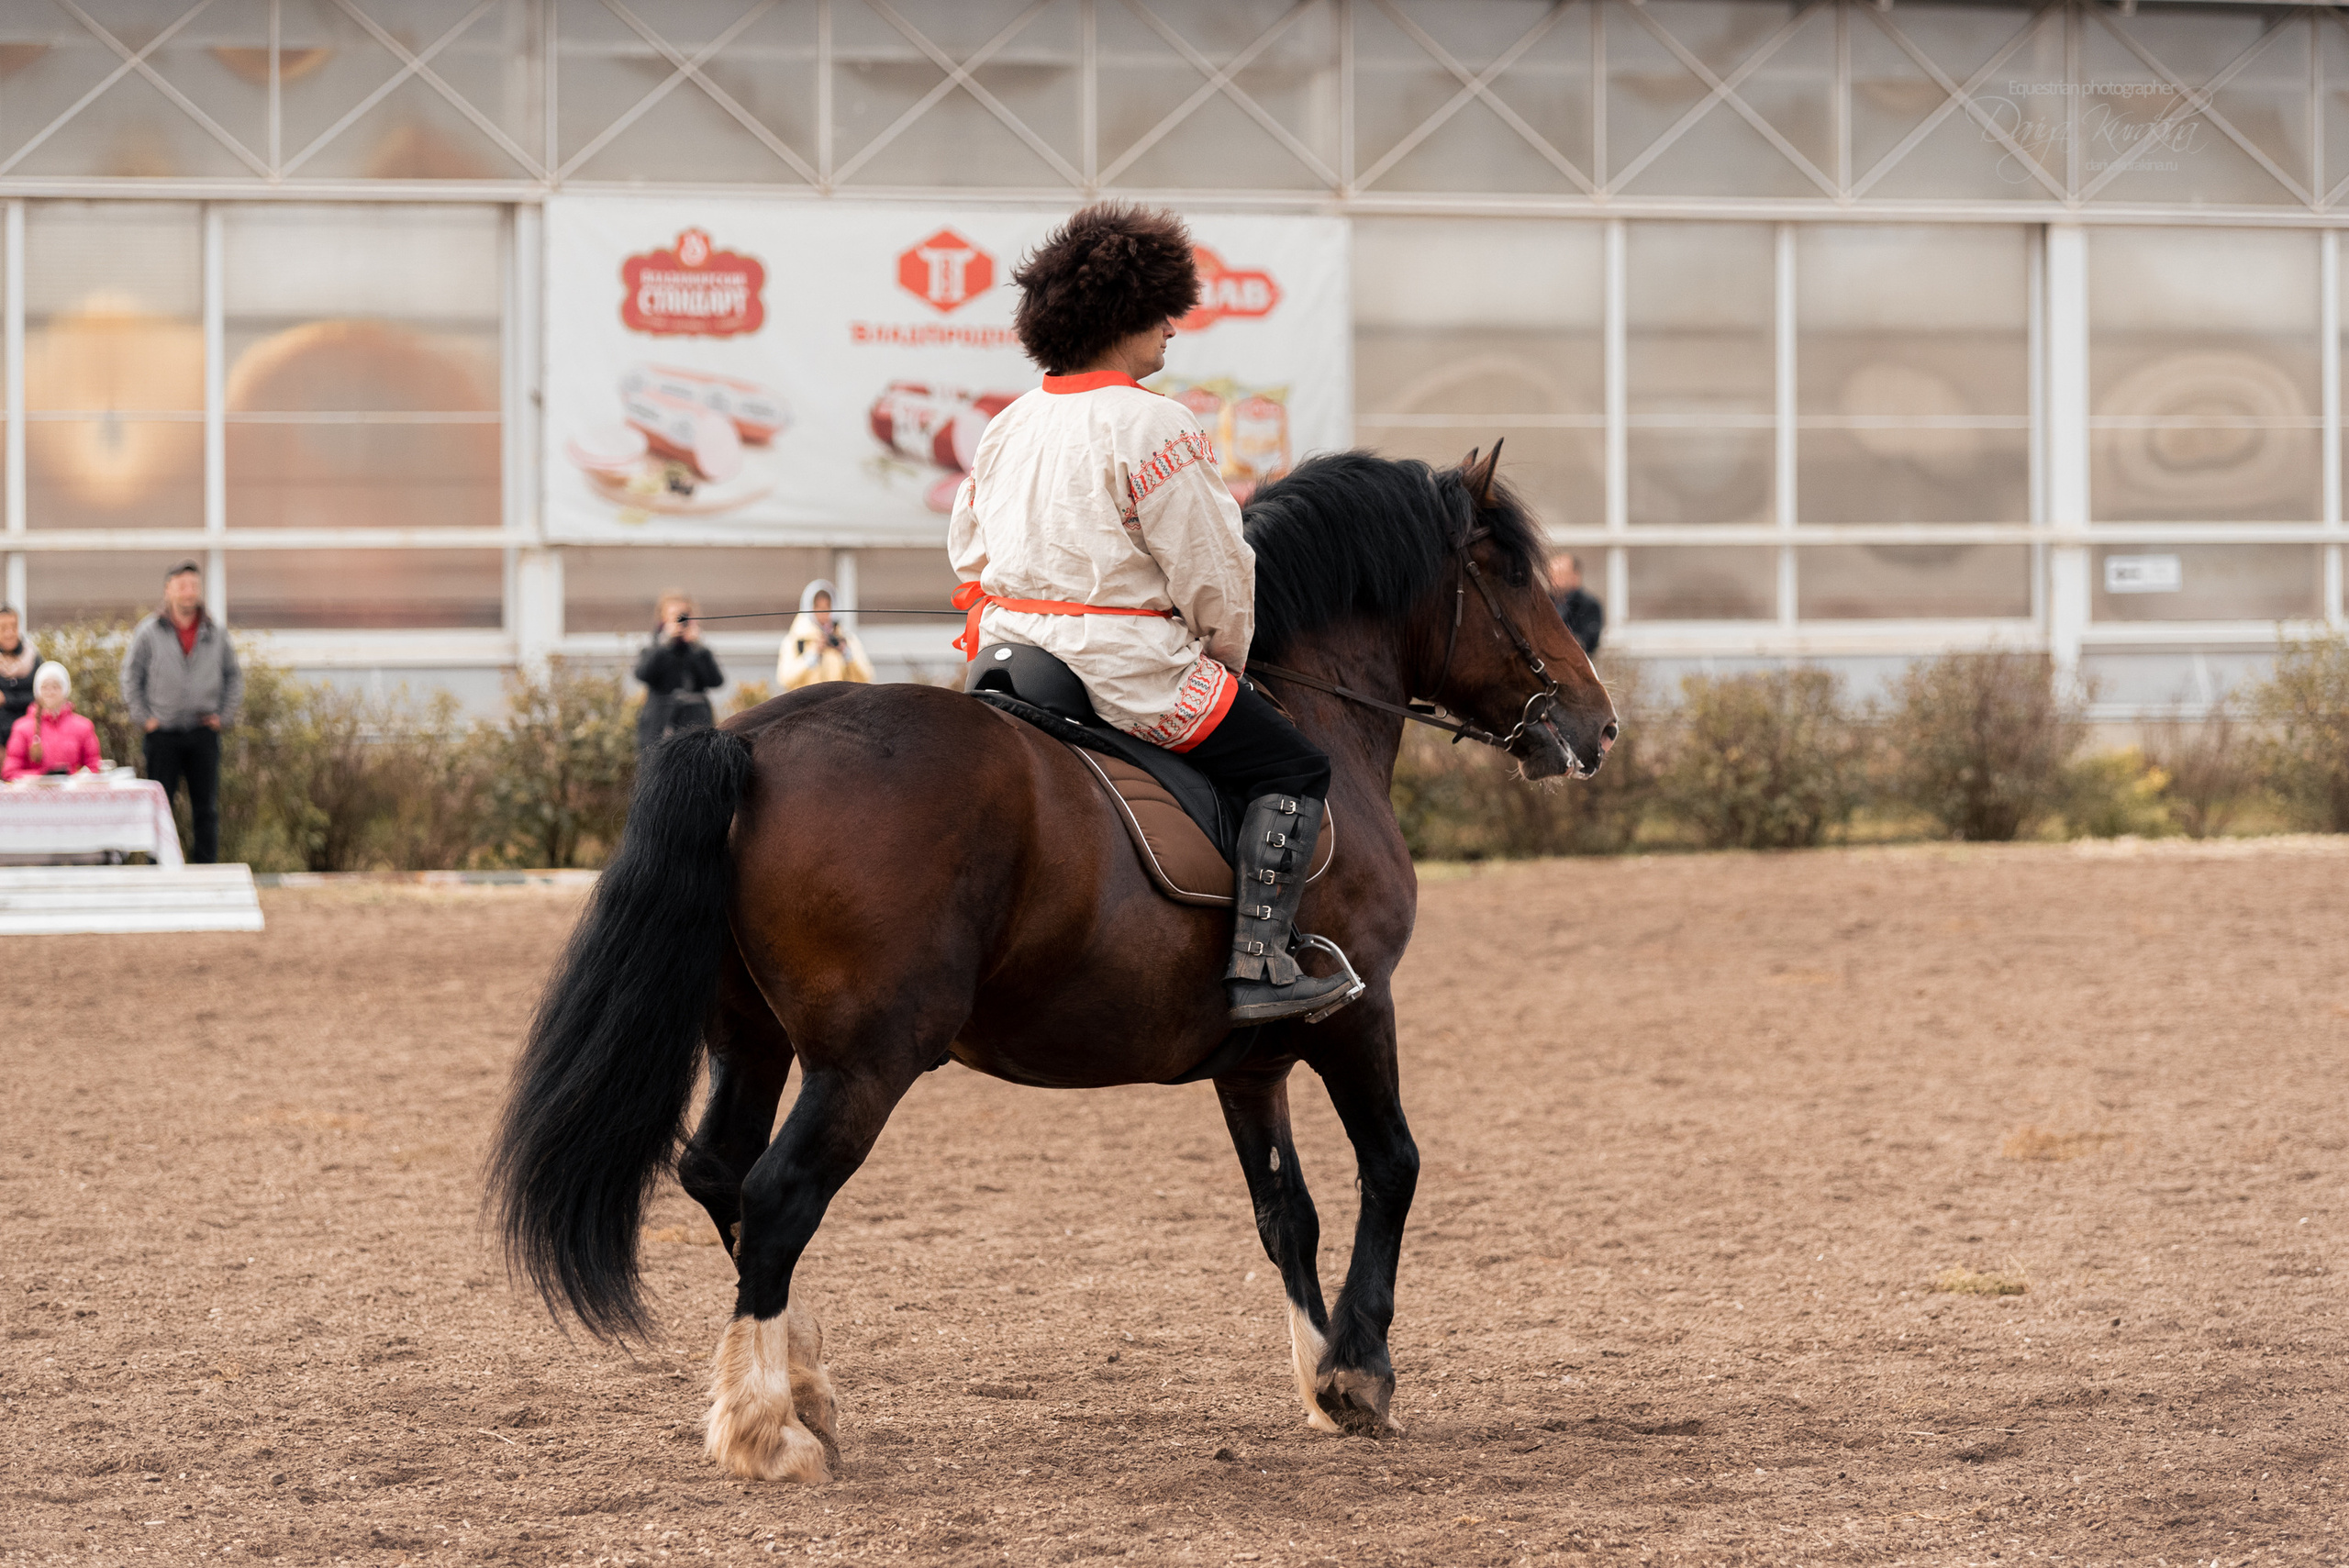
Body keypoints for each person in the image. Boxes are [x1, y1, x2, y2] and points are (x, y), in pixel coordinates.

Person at [951, 202, 1355, 1027]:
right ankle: (1260, 965)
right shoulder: (1158, 424)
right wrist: (1226, 658)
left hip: (1008, 654)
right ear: (1120, 315)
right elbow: (1215, 572)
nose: (1173, 329)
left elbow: (969, 553)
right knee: (1294, 766)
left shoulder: (1008, 423)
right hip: (1126, 670)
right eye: (1162, 312)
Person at [120, 560, 241, 864]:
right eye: (183, 586)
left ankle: (206, 870)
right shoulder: (149, 631)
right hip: (162, 734)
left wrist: (224, 717)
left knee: (206, 809)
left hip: (203, 733)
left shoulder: (215, 632)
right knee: (160, 809)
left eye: (194, 587)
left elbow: (233, 676)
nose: (189, 592)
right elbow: (130, 677)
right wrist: (144, 718)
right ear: (168, 590)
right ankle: (158, 870)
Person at [634, 591, 726, 752]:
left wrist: (697, 648)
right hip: (660, 721)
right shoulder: (654, 646)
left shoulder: (697, 649)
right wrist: (666, 643)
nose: (679, 621)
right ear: (663, 618)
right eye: (673, 615)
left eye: (683, 615)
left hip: (695, 720)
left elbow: (716, 680)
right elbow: (643, 674)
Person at [3, 662, 103, 782]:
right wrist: (44, 778)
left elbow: (94, 767)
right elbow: (10, 772)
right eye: (44, 687)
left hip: (73, 797)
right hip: (35, 798)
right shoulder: (22, 728)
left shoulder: (84, 726)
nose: (50, 692)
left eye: (56, 686)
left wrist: (72, 776)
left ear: (65, 690)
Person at [775, 580, 874, 691]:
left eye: (827, 607)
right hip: (806, 706)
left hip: (838, 704)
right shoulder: (796, 640)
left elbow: (867, 677)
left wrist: (847, 654)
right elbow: (784, 679)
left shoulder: (847, 639)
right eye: (818, 607)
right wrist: (811, 656)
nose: (823, 613)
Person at [1549, 553, 1604, 656]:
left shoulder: (1588, 605)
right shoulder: (1543, 603)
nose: (1554, 580)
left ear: (1575, 576)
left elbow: (1587, 642)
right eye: (1551, 575)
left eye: (1560, 574)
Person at [0, 607, 39, 740]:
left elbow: (40, 697)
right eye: (3, 628)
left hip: (29, 736)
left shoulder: (33, 658)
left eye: (13, 626)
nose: (9, 633)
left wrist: (6, 699)